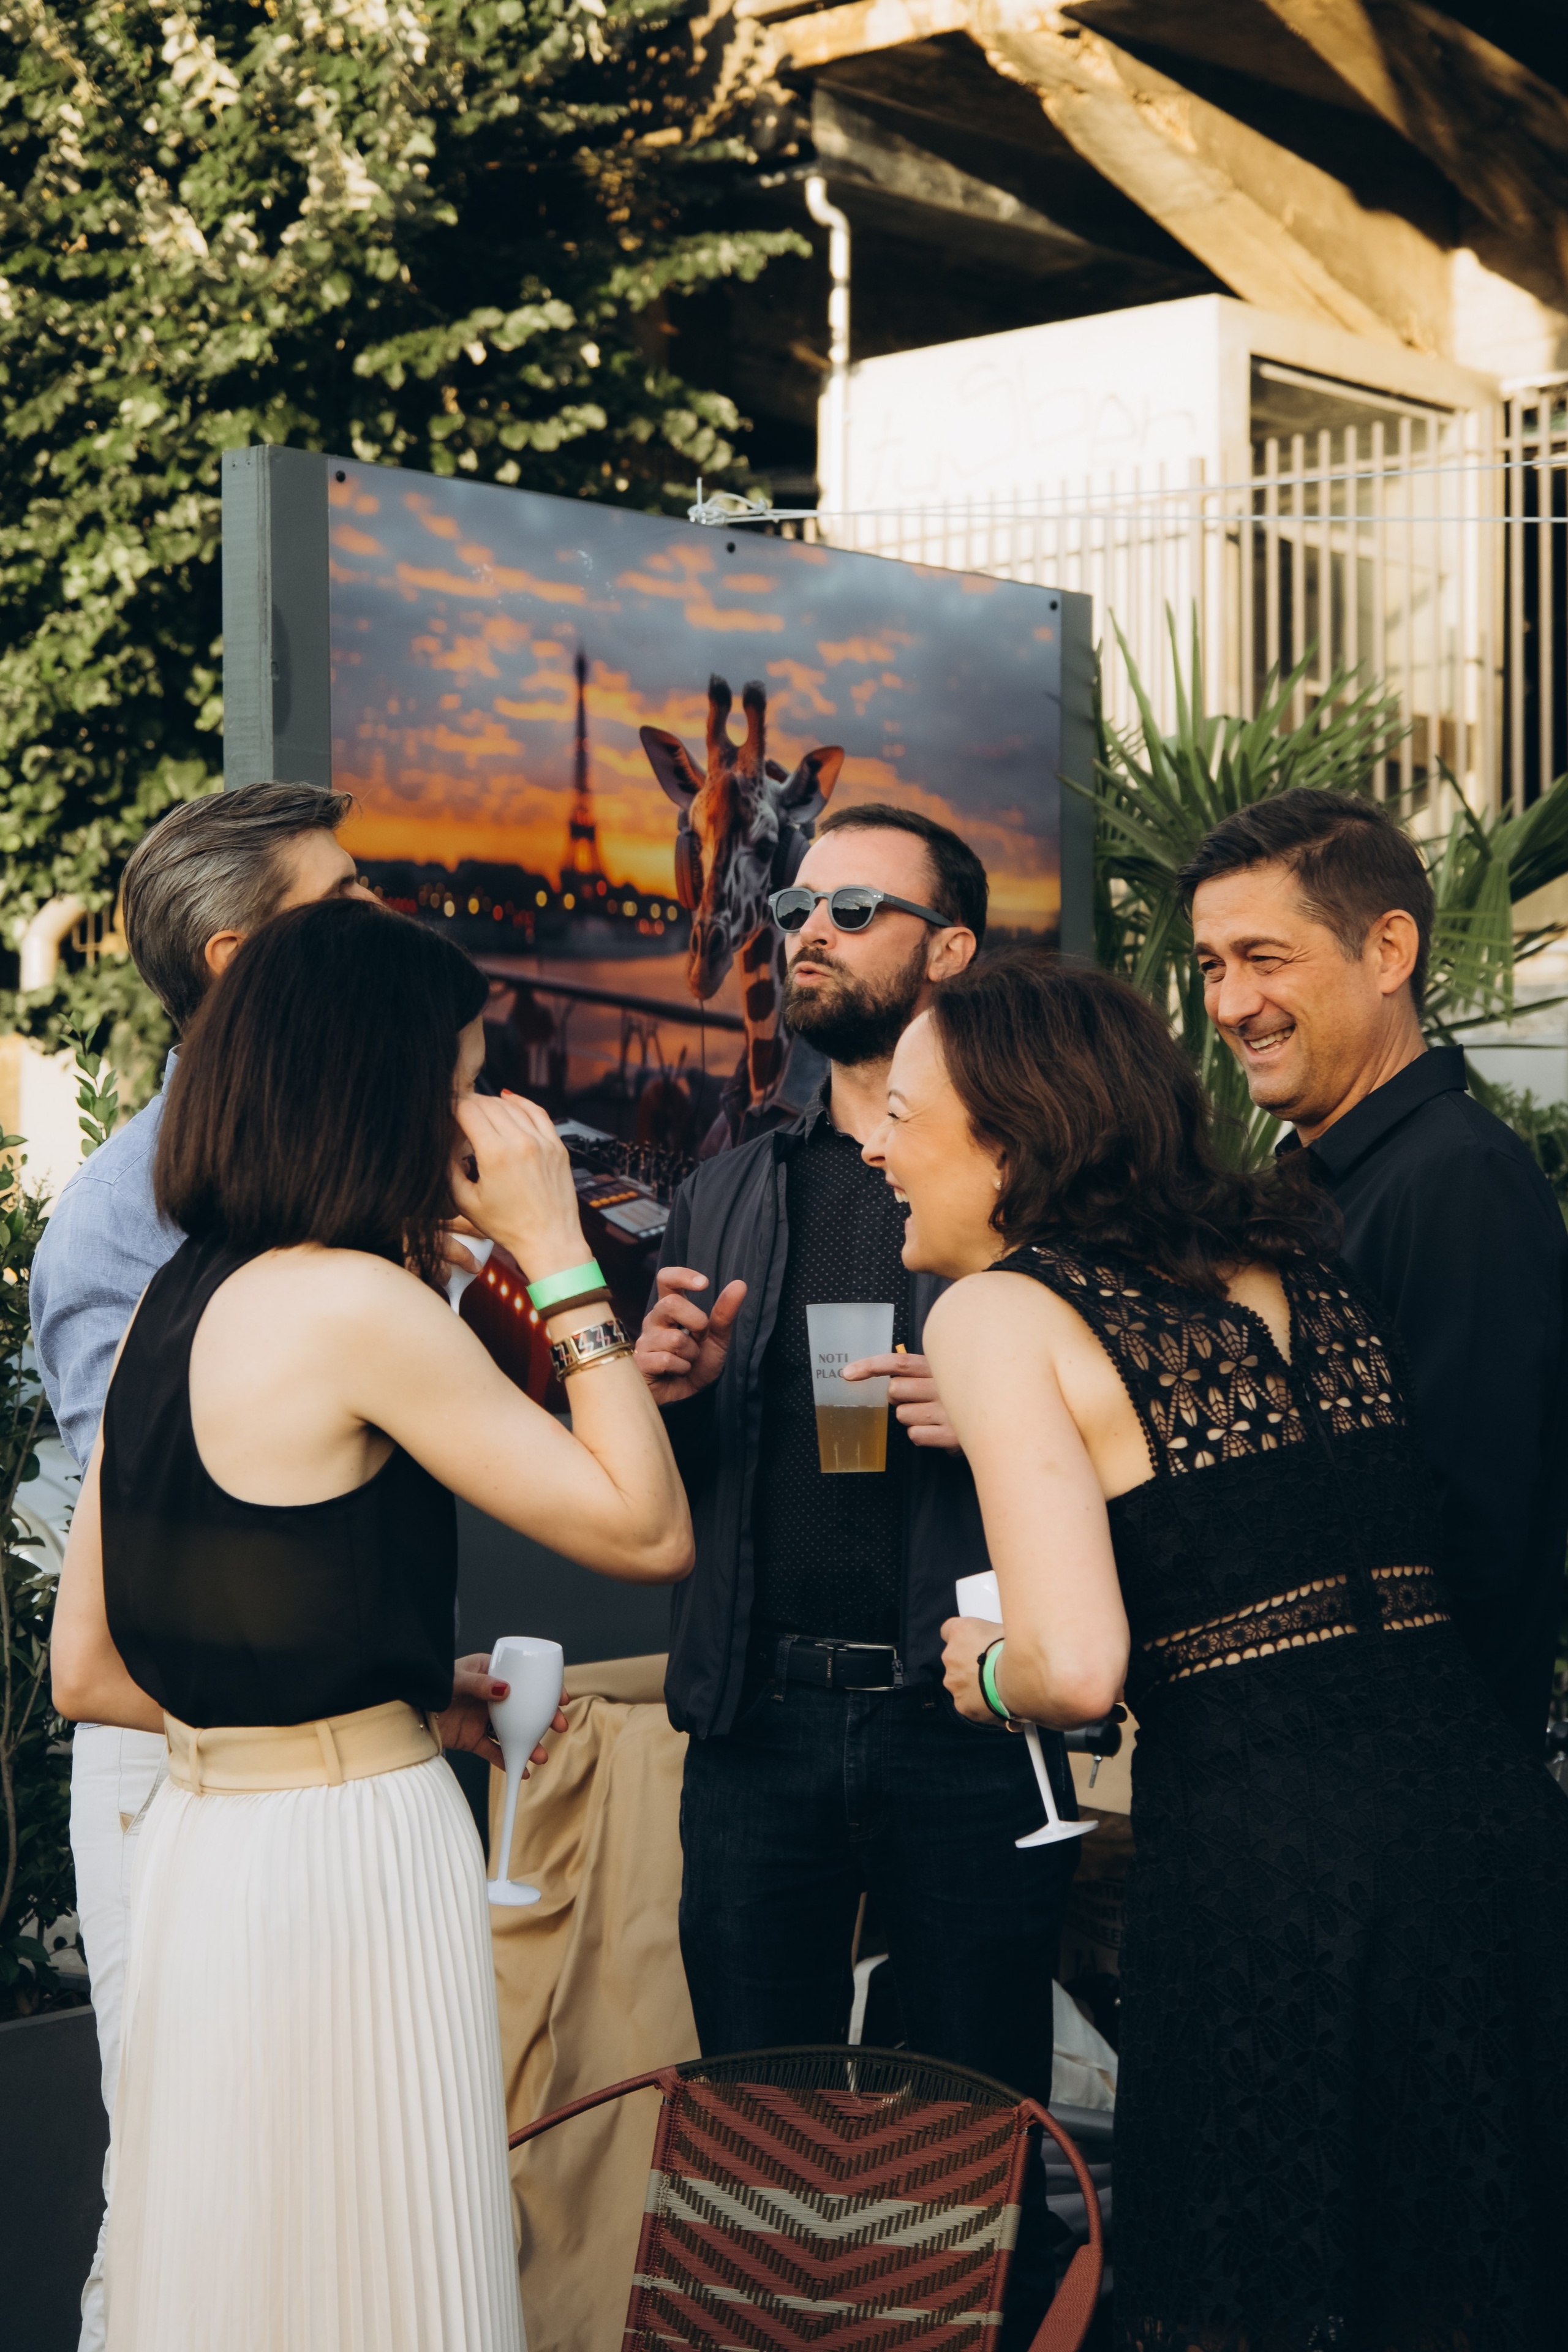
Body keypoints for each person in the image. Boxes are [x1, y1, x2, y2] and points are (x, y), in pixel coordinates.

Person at [876, 949, 1568, 2348]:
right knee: (1469, 2268)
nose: (875, 1146)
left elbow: (1072, 1666)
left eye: (900, 1112)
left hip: (1275, 1877)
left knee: (1268, 2281)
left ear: (1006, 1136)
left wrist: (984, 1669)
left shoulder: (997, 1311)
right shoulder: (1293, 1254)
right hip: (1490, 1836)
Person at [50, 897, 693, 2352]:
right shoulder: (355, 1303)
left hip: (213, 1863)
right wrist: (558, 1249)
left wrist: (374, 1686)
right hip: (353, 1862)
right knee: (380, 2275)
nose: (483, 1115)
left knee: (243, 2274)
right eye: (464, 1078)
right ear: (381, 1087)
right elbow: (646, 1528)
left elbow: (87, 1669)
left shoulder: (173, 1292)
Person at [30, 782, 402, 2352]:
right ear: (250, 959)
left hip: (307, 1767)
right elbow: (177, 1551)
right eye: (349, 897)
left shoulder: (321, 1168)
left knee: (316, 2196)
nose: (389, 918)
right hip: (181, 1768)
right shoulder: (137, 1209)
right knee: (181, 2191)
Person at [634, 805, 1082, 2106]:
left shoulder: (1035, 1184)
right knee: (752, 2115)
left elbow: (1132, 1414)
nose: (804, 936)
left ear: (948, 954)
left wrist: (1013, 1405)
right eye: (792, 912)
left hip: (967, 1724)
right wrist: (668, 1395)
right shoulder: (728, 1186)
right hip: (756, 1726)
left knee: (971, 2121)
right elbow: (681, 1481)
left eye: (849, 911)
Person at [1179, 787, 1568, 1749]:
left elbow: (1468, 1541)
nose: (1232, 1005)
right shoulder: (1305, 1175)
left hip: (1409, 1789)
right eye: (1212, 966)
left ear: (1388, 952)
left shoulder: (1458, 1178)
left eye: (1266, 959)